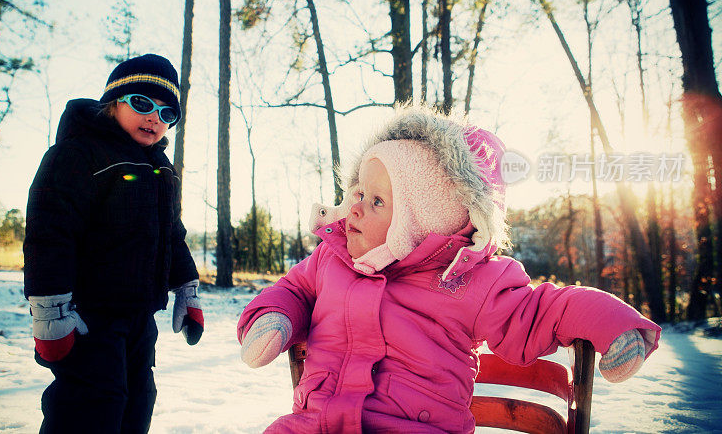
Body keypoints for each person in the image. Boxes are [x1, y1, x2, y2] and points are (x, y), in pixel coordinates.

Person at [237, 106, 661, 433]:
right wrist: (271, 319)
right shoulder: (332, 259)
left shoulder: (466, 281)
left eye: (379, 201)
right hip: (316, 424)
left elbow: (541, 311)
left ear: (421, 218)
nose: (356, 207)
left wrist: (615, 325)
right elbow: (293, 289)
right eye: (358, 192)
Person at [24, 54, 204, 434]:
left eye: (167, 112)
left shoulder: (160, 167)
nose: (154, 117)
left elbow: (172, 233)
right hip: (88, 316)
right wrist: (50, 312)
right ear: (114, 102)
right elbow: (50, 234)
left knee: (138, 399)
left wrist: (187, 290)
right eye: (143, 103)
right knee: (92, 405)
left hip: (141, 315)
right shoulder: (78, 154)